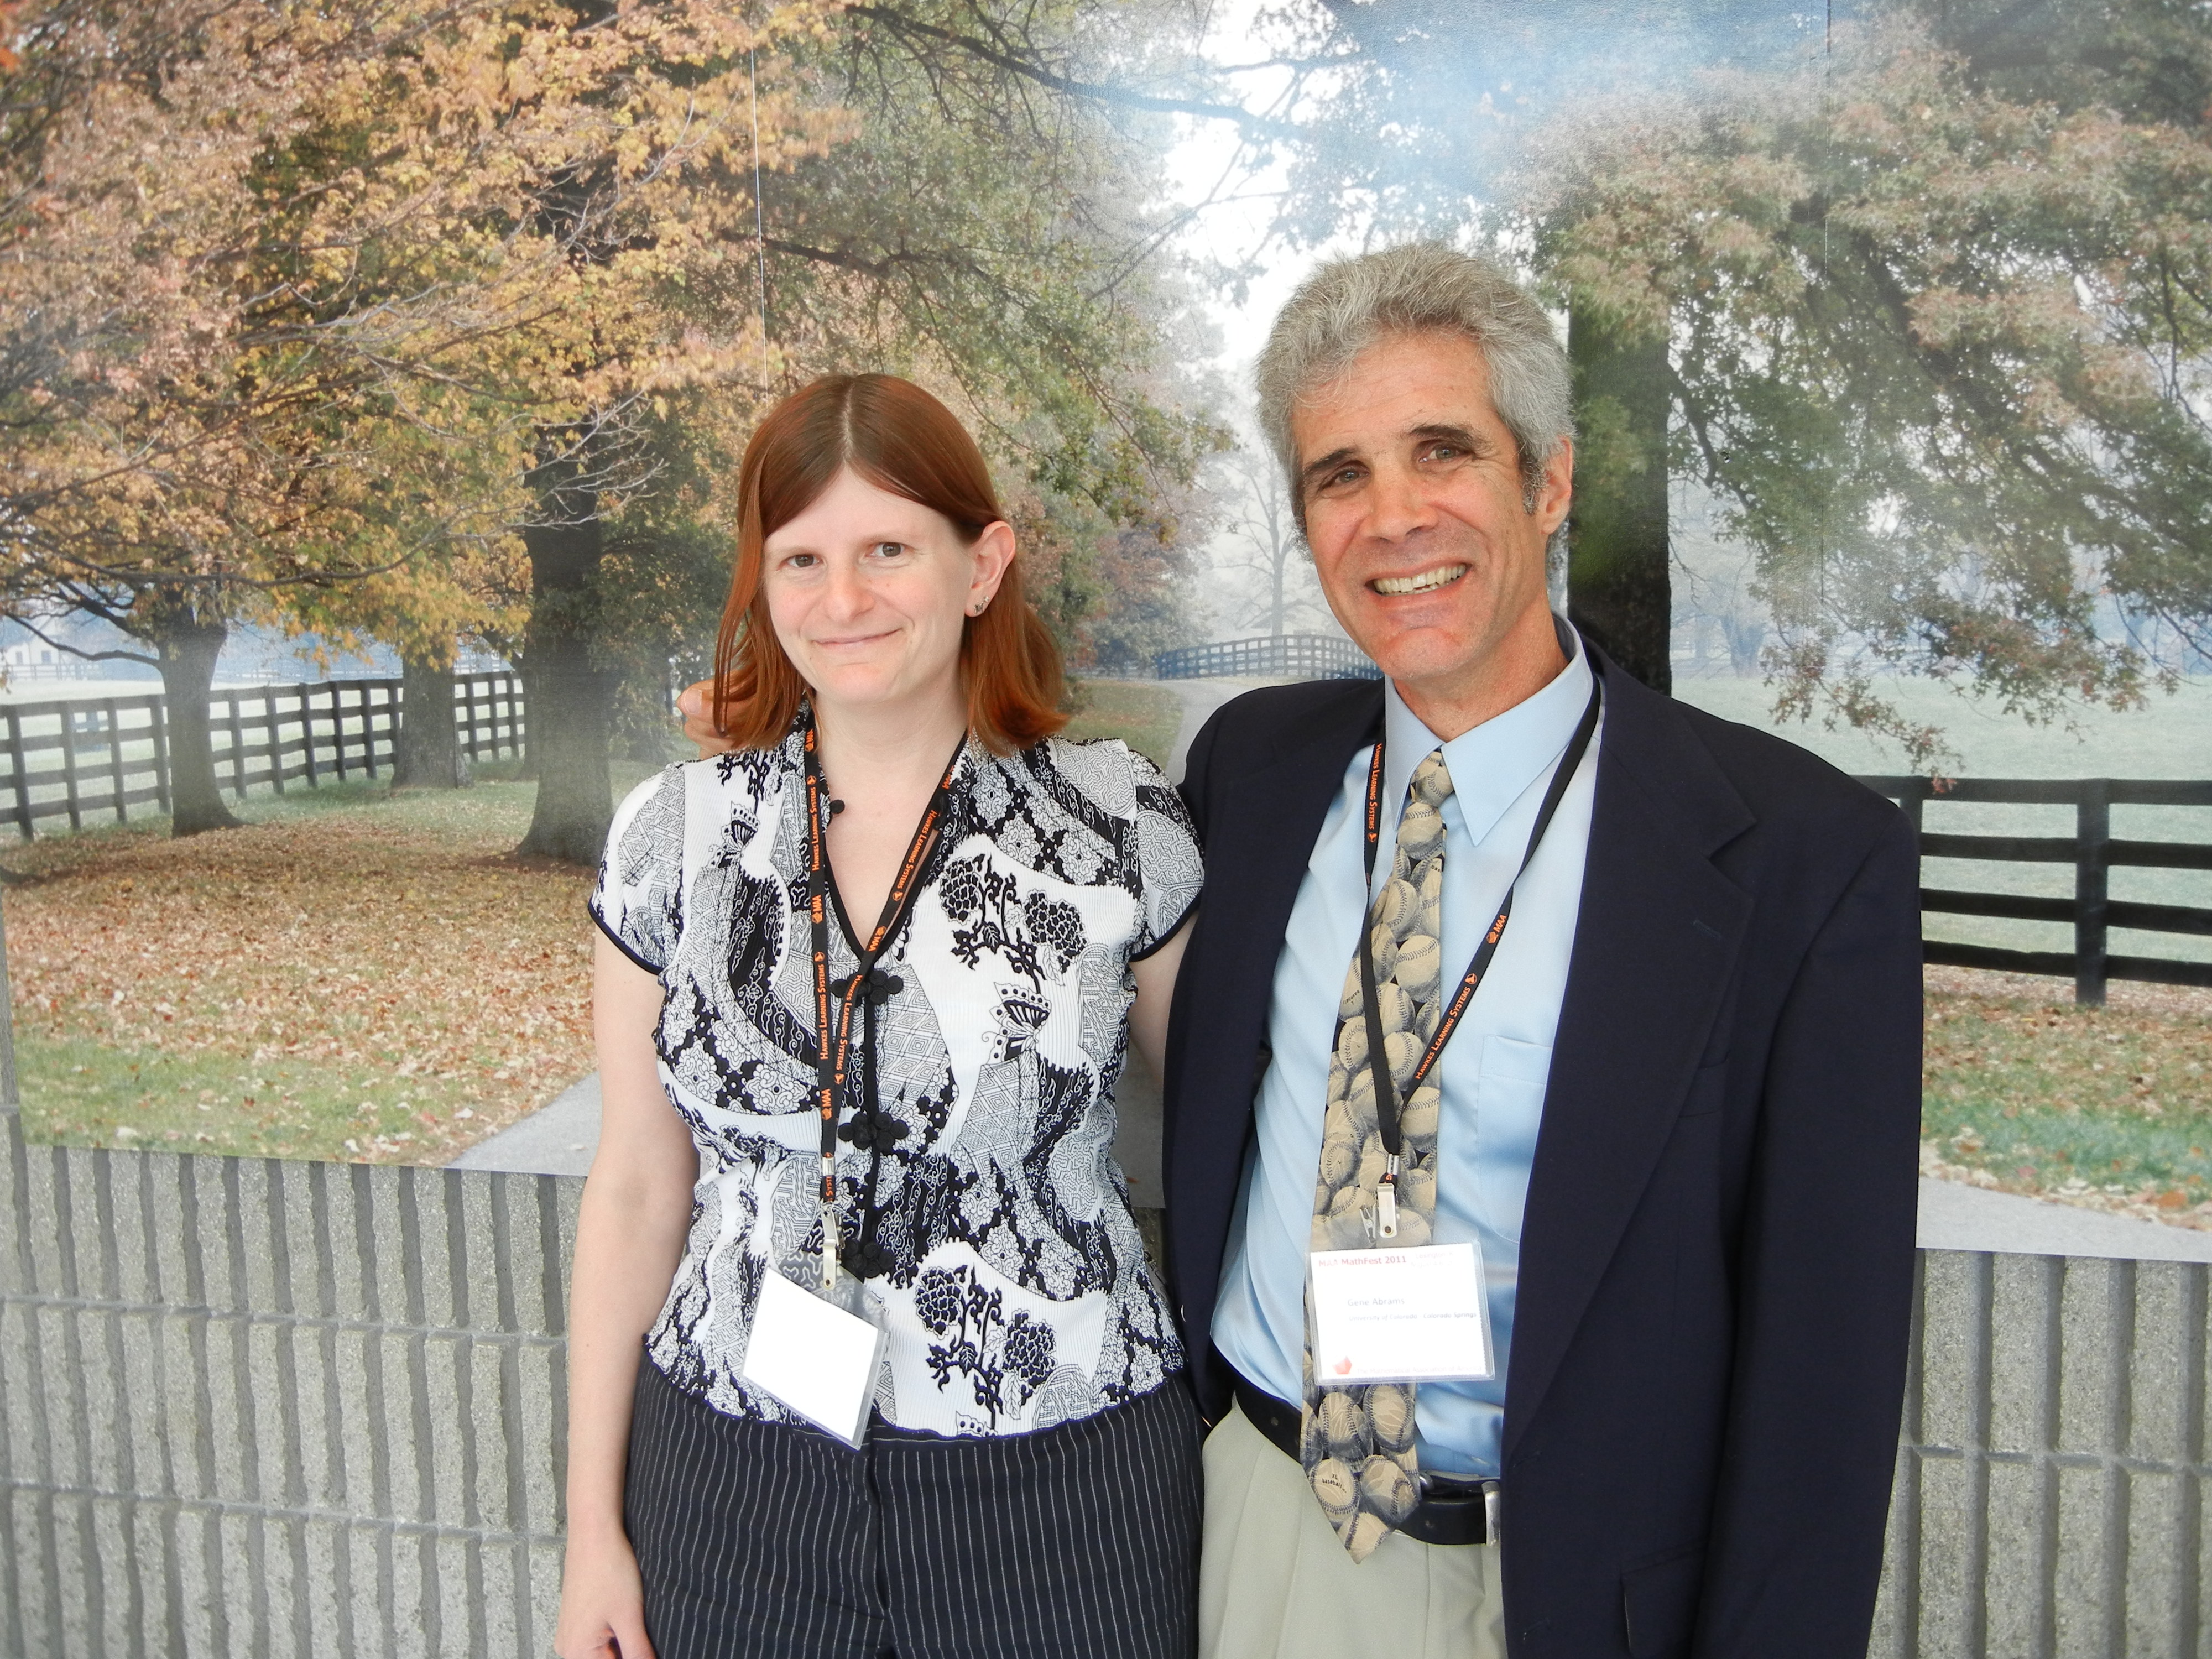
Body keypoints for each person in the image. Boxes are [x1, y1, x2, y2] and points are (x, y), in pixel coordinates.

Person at [1165, 244, 1922, 1659]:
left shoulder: (1800, 861)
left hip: (1561, 1591)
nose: (1392, 519)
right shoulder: (1251, 775)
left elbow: (1821, 1388)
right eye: (1340, 475)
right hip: (1250, 1528)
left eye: (1439, 451)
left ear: (1548, 480)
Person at [558, 373, 1205, 1659]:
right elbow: (634, 1185)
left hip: (1061, 1493)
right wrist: (591, 1534)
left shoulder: (1116, 826)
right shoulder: (672, 841)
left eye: (887, 551)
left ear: (982, 565)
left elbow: (1228, 1133)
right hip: (734, 1494)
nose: (840, 601)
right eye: (799, 557)